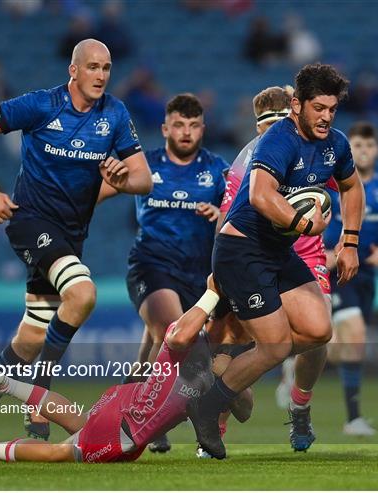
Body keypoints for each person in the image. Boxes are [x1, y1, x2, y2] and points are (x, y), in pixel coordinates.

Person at [0, 38, 153, 447]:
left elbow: (144, 179)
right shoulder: (41, 105)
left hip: (70, 234)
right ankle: (39, 398)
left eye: (107, 67)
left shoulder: (114, 114)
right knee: (82, 294)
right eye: (93, 67)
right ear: (73, 70)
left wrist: (121, 180)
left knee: (30, 339)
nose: (101, 75)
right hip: (29, 222)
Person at [188, 63, 365, 459]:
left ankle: (221, 386)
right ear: (297, 105)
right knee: (273, 346)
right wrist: (303, 222)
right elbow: (260, 195)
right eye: (318, 108)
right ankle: (208, 407)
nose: (326, 117)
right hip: (241, 251)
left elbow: (353, 188)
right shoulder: (277, 141)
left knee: (320, 330)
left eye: (332, 109)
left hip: (278, 251)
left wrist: (350, 241)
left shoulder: (334, 143)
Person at [0, 277, 253, 463]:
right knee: (63, 453)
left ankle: (4, 383)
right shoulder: (187, 335)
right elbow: (176, 336)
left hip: (128, 410)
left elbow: (245, 411)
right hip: (128, 429)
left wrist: (232, 381)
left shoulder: (223, 359)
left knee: (80, 423)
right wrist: (211, 293)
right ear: (230, 320)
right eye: (250, 321)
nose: (255, 330)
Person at [212, 84, 337, 454]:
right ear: (257, 129)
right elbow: (226, 219)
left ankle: (300, 405)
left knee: (319, 335)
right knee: (232, 340)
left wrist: (345, 239)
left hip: (307, 253)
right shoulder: (243, 163)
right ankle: (215, 421)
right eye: (267, 127)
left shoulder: (311, 147)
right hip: (257, 254)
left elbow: (340, 184)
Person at [120, 93, 228, 452]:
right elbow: (100, 190)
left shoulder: (218, 170)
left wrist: (219, 217)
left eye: (193, 125)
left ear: (203, 129)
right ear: (165, 127)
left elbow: (239, 220)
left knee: (157, 342)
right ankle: (151, 417)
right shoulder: (144, 165)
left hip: (198, 276)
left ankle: (134, 396)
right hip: (151, 265)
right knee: (171, 332)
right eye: (179, 125)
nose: (186, 132)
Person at [324, 121, 378, 436]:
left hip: (366, 272)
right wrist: (324, 256)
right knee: (356, 336)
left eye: (369, 145)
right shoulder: (332, 180)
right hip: (334, 271)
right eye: (357, 145)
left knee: (339, 345)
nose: (363, 150)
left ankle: (298, 361)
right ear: (350, 148)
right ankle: (353, 419)